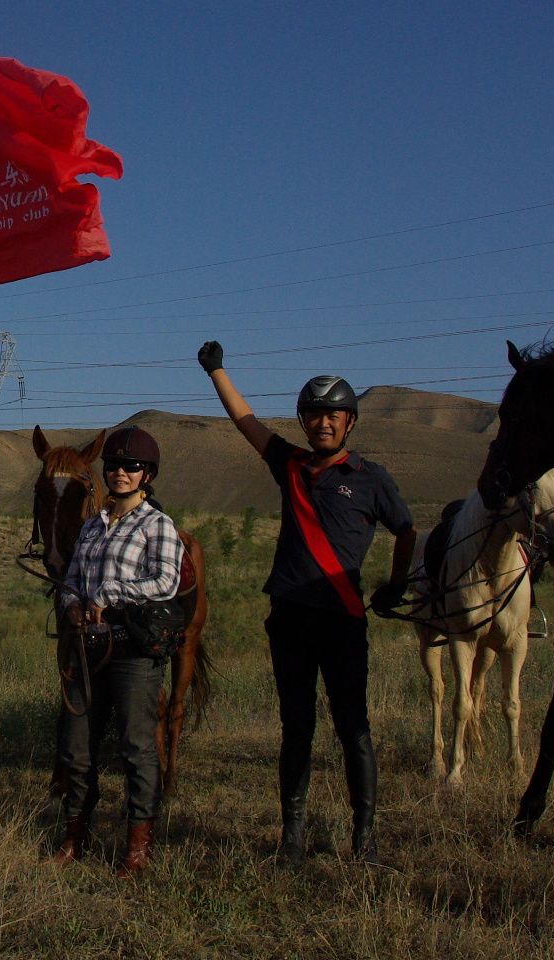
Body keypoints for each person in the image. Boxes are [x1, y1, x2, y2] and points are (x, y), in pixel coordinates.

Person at [198, 341, 416, 864]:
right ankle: (291, 838)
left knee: (354, 729)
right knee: (296, 727)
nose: (323, 423)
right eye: (314, 414)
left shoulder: (371, 479)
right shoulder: (290, 465)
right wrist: (217, 372)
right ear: (304, 421)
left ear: (350, 423)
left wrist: (395, 585)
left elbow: (406, 530)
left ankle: (364, 841)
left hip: (343, 621)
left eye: (333, 414)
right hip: (290, 619)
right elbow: (246, 422)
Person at [48, 426, 184, 877]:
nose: (121, 472)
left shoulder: (157, 525)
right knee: (76, 748)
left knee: (136, 746)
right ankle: (74, 837)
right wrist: (70, 605)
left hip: (131, 652)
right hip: (87, 651)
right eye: (114, 465)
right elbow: (72, 580)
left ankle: (137, 846)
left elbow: (166, 580)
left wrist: (109, 595)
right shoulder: (92, 526)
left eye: (132, 466)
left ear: (148, 475)